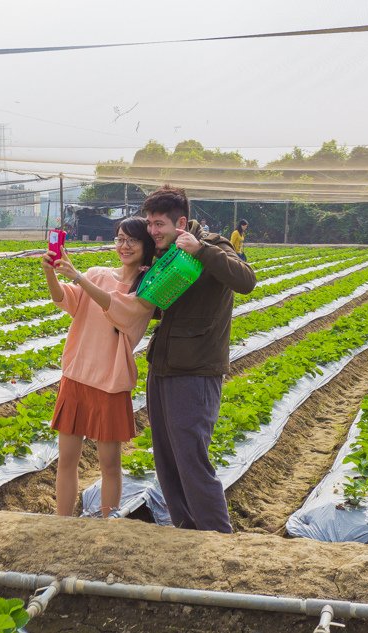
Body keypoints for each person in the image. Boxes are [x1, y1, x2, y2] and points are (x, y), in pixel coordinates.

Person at [143, 185, 256, 533]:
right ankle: (184, 529)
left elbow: (246, 281)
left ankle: (217, 535)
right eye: (149, 223)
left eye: (158, 223)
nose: (152, 231)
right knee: (166, 457)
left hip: (195, 370)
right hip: (162, 365)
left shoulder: (214, 245)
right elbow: (165, 308)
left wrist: (202, 249)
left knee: (191, 458)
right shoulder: (165, 253)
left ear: (181, 222)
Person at [42, 217, 157, 517]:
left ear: (146, 246)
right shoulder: (97, 273)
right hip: (77, 376)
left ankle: (109, 524)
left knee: (109, 464)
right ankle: (61, 522)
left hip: (110, 382)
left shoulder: (145, 291)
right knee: (66, 459)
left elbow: (115, 308)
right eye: (120, 239)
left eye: (132, 240)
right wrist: (51, 274)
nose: (124, 245)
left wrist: (79, 277)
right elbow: (64, 300)